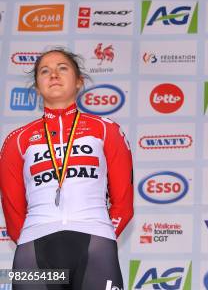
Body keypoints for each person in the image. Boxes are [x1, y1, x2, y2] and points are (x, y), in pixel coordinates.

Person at [0, 48, 133, 290]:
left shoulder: (106, 129)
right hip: (33, 249)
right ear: (37, 87)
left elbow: (123, 200)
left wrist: (101, 231)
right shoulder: (16, 139)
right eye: (44, 71)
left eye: (62, 68)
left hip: (95, 246)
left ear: (79, 82)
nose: (54, 75)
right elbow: (11, 206)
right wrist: (34, 234)